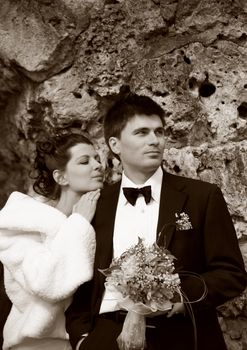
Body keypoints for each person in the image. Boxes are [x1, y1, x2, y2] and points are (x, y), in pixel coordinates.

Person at [65, 94, 247, 350]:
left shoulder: (202, 197)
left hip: (181, 335)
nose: (155, 140)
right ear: (115, 144)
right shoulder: (97, 203)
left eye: (159, 132)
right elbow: (79, 281)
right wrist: (83, 339)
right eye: (142, 132)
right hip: (107, 335)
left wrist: (178, 296)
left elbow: (231, 274)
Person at [0, 133, 104, 350]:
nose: (98, 165)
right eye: (85, 161)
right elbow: (45, 282)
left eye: (97, 159)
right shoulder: (25, 221)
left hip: (86, 340)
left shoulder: (101, 217)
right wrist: (79, 223)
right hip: (35, 344)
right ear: (61, 177)